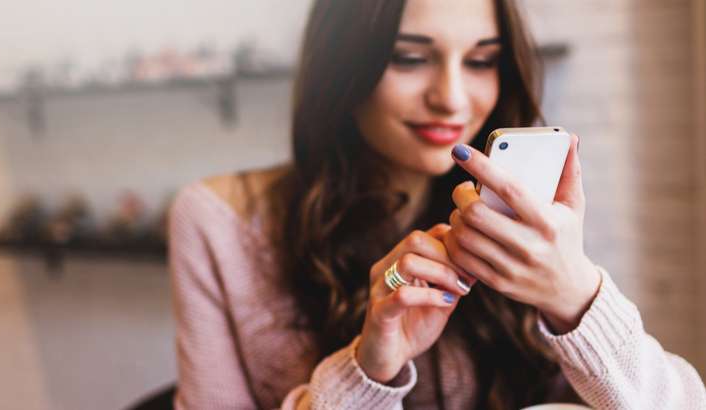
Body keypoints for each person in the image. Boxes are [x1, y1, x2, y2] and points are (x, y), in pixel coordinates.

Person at [168, 0, 706, 408]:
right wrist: (366, 370)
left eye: (481, 61)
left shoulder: (511, 218)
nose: (450, 96)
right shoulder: (220, 222)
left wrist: (577, 298)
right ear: (343, 65)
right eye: (410, 58)